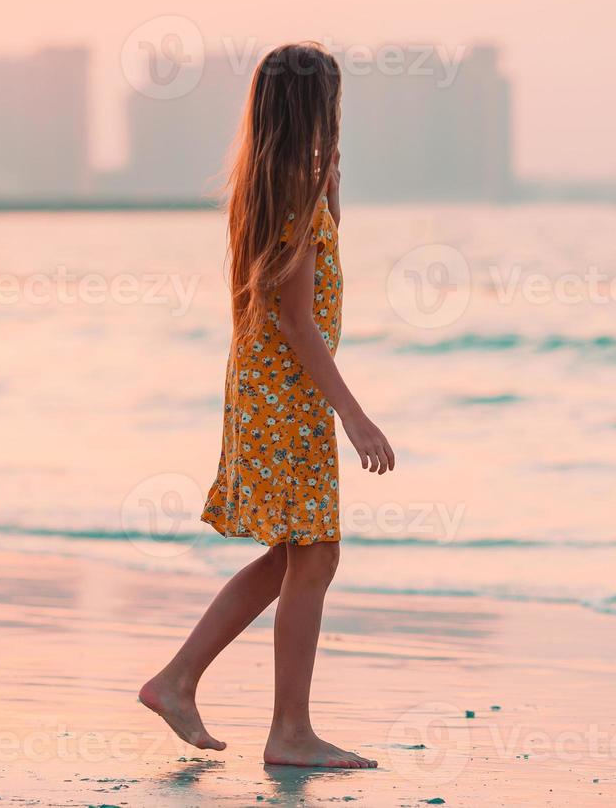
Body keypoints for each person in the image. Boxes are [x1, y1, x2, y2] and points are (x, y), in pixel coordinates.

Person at [139, 42, 395, 769]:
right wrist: (354, 414)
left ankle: (179, 680)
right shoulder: (290, 191)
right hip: (289, 395)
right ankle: (286, 731)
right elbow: (296, 318)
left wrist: (333, 199)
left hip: (270, 390)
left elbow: (303, 282)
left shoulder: (275, 182)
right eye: (333, 104)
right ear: (317, 109)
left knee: (299, 554)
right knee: (313, 557)